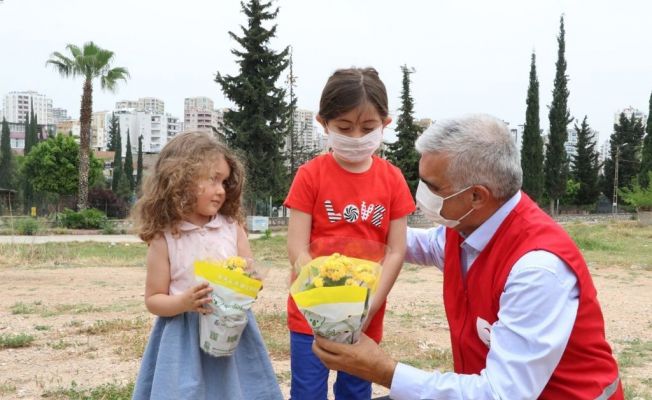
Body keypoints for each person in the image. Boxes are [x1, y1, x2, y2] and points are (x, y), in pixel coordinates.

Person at [313, 114, 624, 400]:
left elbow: (501, 394)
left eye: (432, 187)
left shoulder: (538, 269)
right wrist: (349, 231)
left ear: (477, 195)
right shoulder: (468, 226)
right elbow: (420, 245)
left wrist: (383, 370)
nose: (421, 194)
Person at [285, 67, 416, 399]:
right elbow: (297, 245)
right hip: (310, 315)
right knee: (307, 391)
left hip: (365, 316)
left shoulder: (393, 179)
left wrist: (366, 307)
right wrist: (322, 295)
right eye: (344, 128)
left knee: (356, 391)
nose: (356, 137)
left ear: (384, 124)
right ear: (323, 123)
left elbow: (396, 250)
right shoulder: (309, 175)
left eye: (368, 128)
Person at [131, 131, 283, 400]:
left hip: (232, 333)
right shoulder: (165, 238)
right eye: (213, 180)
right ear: (180, 179)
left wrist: (251, 282)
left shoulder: (231, 228)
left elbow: (250, 277)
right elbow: (153, 299)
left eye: (224, 181)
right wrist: (184, 302)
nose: (222, 190)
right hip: (182, 340)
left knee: (234, 391)